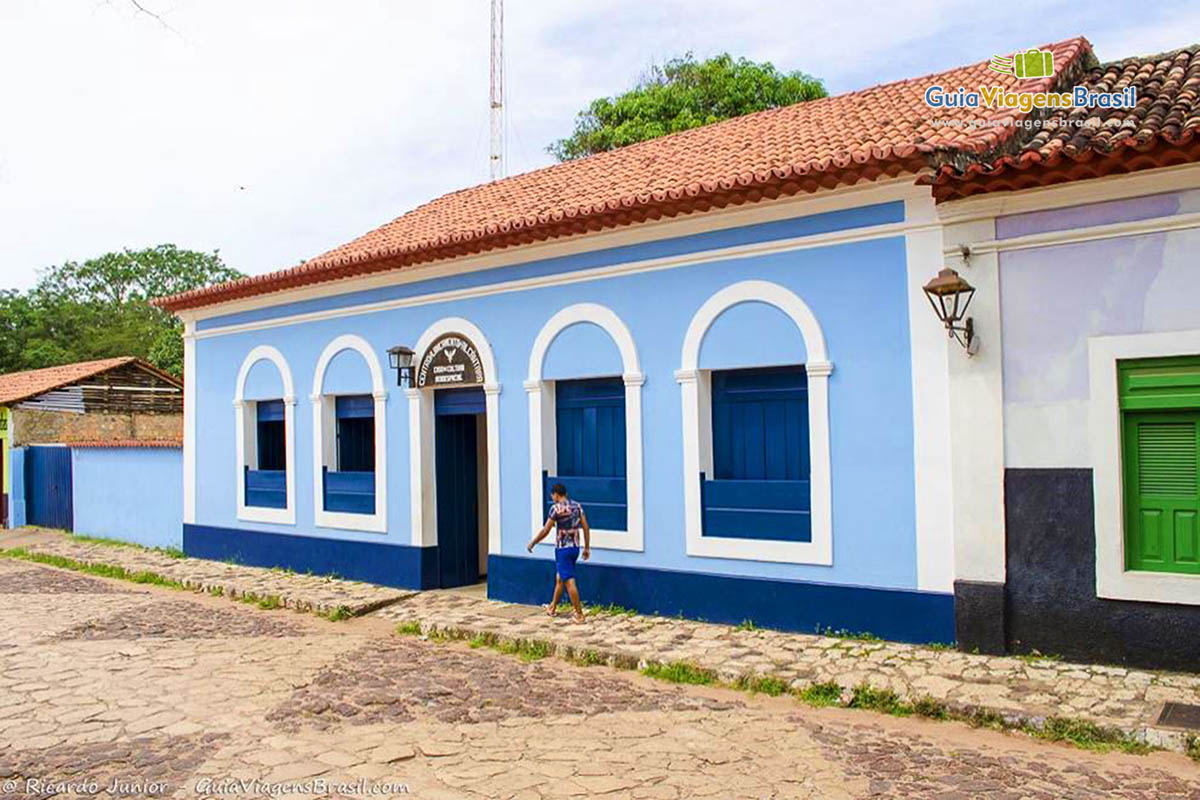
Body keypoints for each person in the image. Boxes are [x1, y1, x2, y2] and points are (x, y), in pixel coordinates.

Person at [526, 482, 591, 623]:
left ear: (556, 494)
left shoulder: (555, 509)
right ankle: (552, 607)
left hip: (563, 549)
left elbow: (546, 530)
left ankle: (579, 615)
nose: (552, 497)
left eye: (552, 495)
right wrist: (587, 547)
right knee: (560, 578)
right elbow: (586, 527)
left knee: (569, 580)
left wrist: (534, 542)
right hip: (575, 548)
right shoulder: (577, 506)